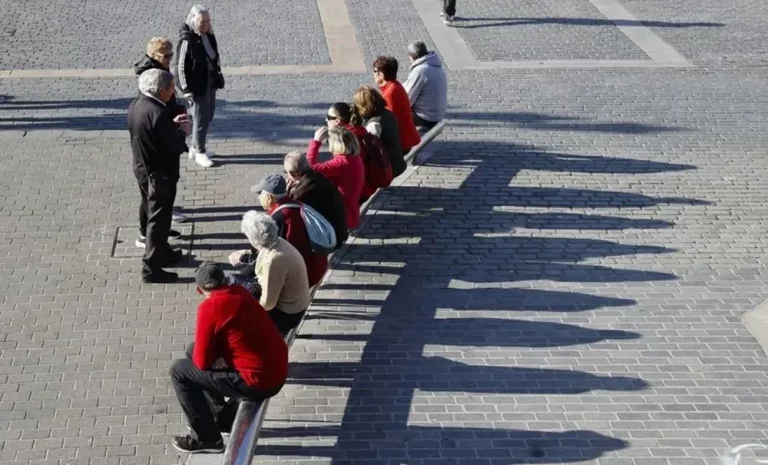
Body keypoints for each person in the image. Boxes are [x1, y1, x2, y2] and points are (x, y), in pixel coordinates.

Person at [169, 262, 287, 453]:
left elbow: (201, 362)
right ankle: (221, 418)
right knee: (192, 350)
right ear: (225, 280)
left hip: (258, 381)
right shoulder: (240, 291)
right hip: (276, 368)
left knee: (179, 370)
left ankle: (207, 438)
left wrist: (215, 359)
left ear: (199, 290)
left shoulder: (210, 307)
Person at [127, 69, 189, 283]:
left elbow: (152, 136)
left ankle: (164, 253)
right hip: (159, 175)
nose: (174, 92)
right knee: (159, 220)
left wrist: (171, 127)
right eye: (172, 88)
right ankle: (152, 268)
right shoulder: (159, 113)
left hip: (143, 170)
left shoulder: (137, 105)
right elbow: (175, 146)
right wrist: (182, 132)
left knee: (153, 211)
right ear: (161, 90)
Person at [134, 36, 190, 226]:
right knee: (156, 190)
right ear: (153, 55)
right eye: (166, 55)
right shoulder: (152, 75)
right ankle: (151, 231)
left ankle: (156, 224)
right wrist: (177, 129)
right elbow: (155, 109)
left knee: (155, 191)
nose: (170, 58)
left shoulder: (160, 68)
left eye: (171, 54)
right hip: (157, 149)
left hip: (166, 124)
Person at [229, 212, 311, 335]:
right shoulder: (279, 242)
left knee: (240, 311)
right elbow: (259, 263)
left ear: (254, 239)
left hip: (288, 314)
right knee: (239, 282)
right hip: (295, 303)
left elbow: (268, 303)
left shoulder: (274, 260)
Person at [251, 174, 329, 287]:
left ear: (269, 197)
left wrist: (248, 258)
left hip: (304, 274)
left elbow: (274, 254)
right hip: (317, 265)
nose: (258, 198)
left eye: (260, 194)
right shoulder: (295, 204)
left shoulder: (277, 219)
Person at [178, 5, 223, 169]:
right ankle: (200, 152)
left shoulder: (209, 36)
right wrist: (186, 89)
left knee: (208, 116)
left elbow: (213, 59)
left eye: (208, 20)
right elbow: (180, 67)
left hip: (210, 83)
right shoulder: (186, 40)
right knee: (200, 120)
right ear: (193, 20)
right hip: (196, 87)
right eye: (202, 21)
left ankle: (194, 147)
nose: (206, 24)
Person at [283, 151, 348, 249]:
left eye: (286, 172)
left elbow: (287, 210)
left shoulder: (304, 190)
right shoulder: (317, 177)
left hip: (328, 239)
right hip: (339, 232)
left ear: (294, 173)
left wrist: (287, 193)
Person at [307, 124, 365, 231]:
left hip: (342, 216)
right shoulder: (354, 158)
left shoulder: (341, 162)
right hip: (350, 213)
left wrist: (316, 141)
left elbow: (309, 168)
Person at [353, 86, 406, 178]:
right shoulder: (388, 113)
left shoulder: (374, 124)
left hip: (388, 168)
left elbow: (368, 148)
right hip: (397, 161)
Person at [373, 56, 421, 156]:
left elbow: (389, 122)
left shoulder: (391, 93)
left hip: (401, 144)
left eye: (374, 71)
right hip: (404, 139)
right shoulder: (394, 86)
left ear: (381, 75)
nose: (373, 74)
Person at [403, 41, 448, 133]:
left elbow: (407, 99)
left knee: (390, 115)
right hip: (437, 114)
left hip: (425, 116)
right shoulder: (435, 65)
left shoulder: (421, 70)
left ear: (412, 57)